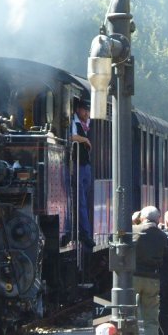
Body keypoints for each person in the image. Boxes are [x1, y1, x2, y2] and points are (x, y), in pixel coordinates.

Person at [132, 206, 167, 335]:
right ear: (158, 219)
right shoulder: (162, 236)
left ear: (142, 217)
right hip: (152, 278)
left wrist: (133, 223)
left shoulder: (134, 231)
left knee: (130, 317)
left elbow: (115, 240)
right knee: (151, 320)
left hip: (133, 278)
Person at [70, 98, 94, 248]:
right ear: (78, 109)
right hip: (76, 165)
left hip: (85, 166)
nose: (87, 113)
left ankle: (85, 231)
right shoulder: (73, 121)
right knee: (81, 202)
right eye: (85, 110)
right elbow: (71, 137)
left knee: (85, 199)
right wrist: (84, 139)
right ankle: (84, 233)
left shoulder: (86, 123)